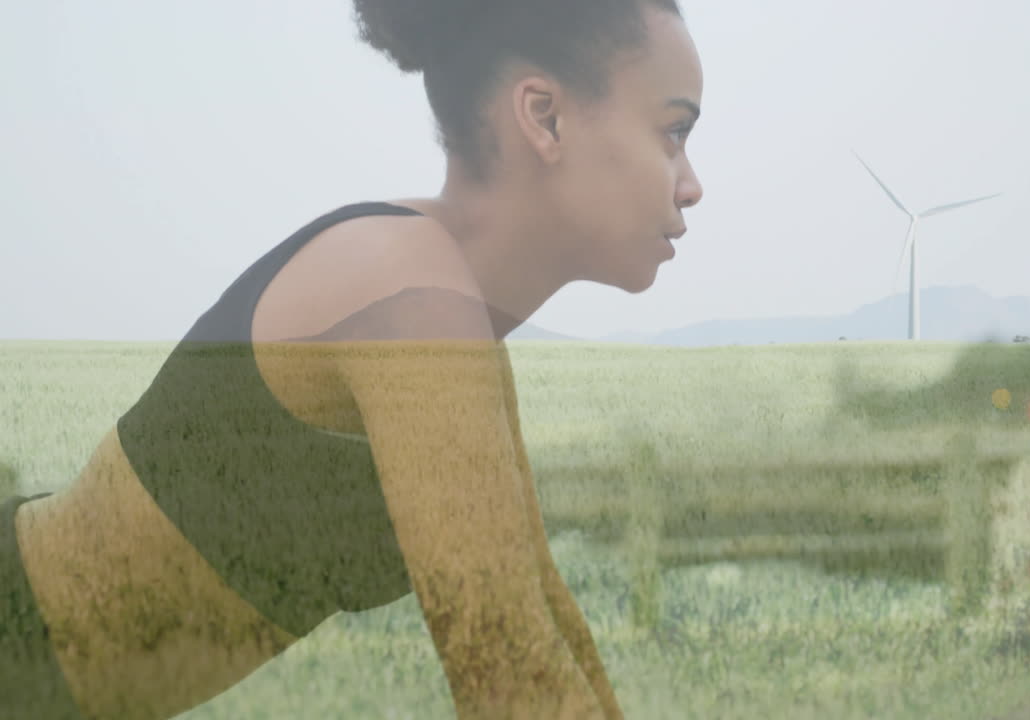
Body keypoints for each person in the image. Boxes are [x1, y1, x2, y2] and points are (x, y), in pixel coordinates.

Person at [1, 0, 704, 717]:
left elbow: (546, 623)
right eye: (673, 133)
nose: (692, 184)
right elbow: (509, 683)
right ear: (545, 116)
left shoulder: (450, 318)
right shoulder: (405, 293)